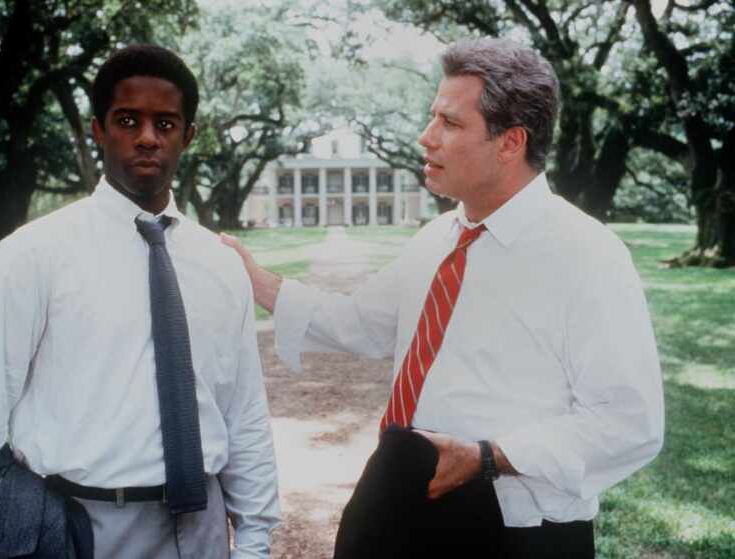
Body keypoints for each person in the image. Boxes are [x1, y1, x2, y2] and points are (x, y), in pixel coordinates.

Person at [222, 38, 664, 557]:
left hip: (514, 527)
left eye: (450, 124)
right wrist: (260, 282)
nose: (425, 137)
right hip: (399, 492)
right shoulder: (438, 238)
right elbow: (363, 322)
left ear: (510, 142)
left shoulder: (588, 254)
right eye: (433, 118)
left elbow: (630, 422)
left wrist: (490, 457)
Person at [0, 44, 279, 558]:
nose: (146, 137)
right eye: (127, 120)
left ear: (188, 136)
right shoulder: (32, 255)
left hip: (203, 530)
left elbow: (243, 410)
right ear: (98, 129)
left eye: (165, 124)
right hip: (79, 527)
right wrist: (0, 538)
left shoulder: (220, 263)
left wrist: (254, 537)